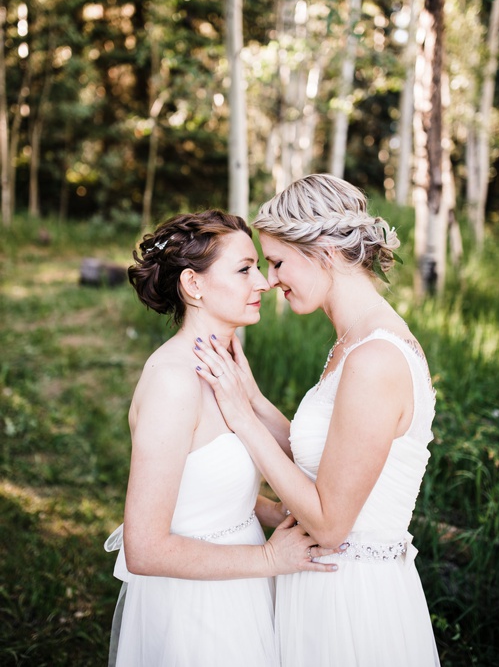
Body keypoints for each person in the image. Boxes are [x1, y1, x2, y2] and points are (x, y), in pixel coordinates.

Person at [192, 174, 440, 666]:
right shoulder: (353, 341)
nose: (272, 279)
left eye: (279, 262)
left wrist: (243, 420)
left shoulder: (376, 358)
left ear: (324, 250)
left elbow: (329, 523)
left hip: (351, 605)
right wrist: (254, 398)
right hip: (321, 586)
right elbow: (326, 455)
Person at [106, 209, 337, 667]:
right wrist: (270, 560)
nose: (264, 283)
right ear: (193, 285)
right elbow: (145, 549)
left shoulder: (222, 367)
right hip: (199, 612)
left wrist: (277, 512)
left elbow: (201, 481)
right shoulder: (173, 382)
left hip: (243, 587)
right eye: (244, 269)